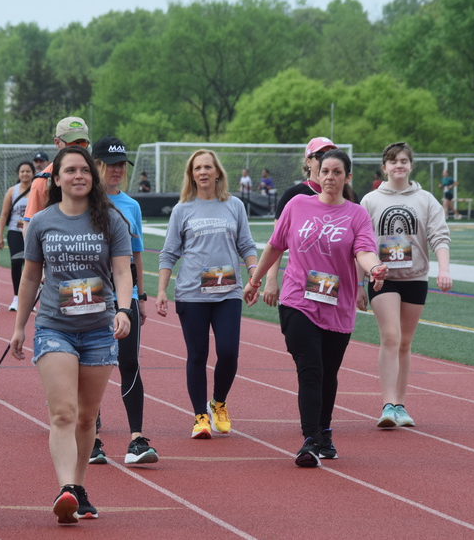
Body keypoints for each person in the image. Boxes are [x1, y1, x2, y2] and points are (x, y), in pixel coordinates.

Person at [9, 145, 132, 524]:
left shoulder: (111, 220)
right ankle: (65, 487)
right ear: (56, 178)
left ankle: (77, 488)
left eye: (84, 170)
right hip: (54, 327)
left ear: (92, 178)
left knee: (86, 418)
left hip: (98, 328)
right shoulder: (43, 222)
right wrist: (18, 326)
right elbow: (30, 277)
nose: (78, 176)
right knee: (63, 412)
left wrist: (125, 310)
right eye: (70, 170)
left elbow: (123, 272)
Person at [244, 149, 388, 467]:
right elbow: (275, 245)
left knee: (328, 374)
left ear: (347, 178)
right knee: (311, 370)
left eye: (337, 172)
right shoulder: (297, 206)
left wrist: (375, 268)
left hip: (338, 306)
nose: (330, 178)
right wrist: (255, 281)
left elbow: (364, 251)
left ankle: (324, 431)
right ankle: (309, 440)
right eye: (325, 171)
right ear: (316, 175)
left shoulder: (356, 215)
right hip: (298, 301)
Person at [156, 150, 258, 439]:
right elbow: (168, 253)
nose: (202, 172)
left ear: (217, 173)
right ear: (191, 174)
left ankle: (219, 402)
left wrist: (254, 273)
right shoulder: (182, 209)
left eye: (207, 167)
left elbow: (247, 245)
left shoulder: (234, 205)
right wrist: (162, 290)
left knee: (228, 352)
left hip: (228, 292)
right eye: (197, 168)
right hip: (191, 294)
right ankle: (200, 415)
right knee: (198, 354)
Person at [360, 142, 452, 428]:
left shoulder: (426, 200)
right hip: (382, 279)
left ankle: (400, 405)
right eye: (393, 161)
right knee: (390, 335)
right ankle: (387, 405)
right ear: (384, 167)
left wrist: (444, 270)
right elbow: (360, 245)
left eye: (403, 161)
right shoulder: (370, 201)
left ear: (411, 166)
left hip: (415, 277)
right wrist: (357, 284)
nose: (398, 165)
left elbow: (439, 236)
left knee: (405, 342)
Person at [89, 136, 158, 466]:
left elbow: (136, 254)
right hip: (88, 296)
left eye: (121, 165)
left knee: (129, 362)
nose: (116, 170)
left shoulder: (131, 205)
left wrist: (140, 296)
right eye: (110, 164)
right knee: (92, 365)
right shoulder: (82, 201)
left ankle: (136, 439)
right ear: (96, 164)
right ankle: (92, 438)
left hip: (124, 295)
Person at [262, 137, 338, 308]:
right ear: (308, 162)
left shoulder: (347, 197)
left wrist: (359, 285)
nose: (326, 159)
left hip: (335, 287)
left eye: (331, 154)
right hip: (299, 287)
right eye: (320, 155)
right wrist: (271, 279)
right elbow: (276, 244)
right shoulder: (293, 195)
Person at [21, 117, 90, 236]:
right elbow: (29, 227)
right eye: (71, 143)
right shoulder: (42, 180)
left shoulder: (96, 176)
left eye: (82, 143)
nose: (77, 148)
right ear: (57, 142)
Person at [0, 160, 34, 311]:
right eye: (22, 171)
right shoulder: (12, 191)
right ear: (18, 174)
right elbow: (4, 214)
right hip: (14, 231)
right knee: (16, 262)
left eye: (28, 171)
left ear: (32, 173)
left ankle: (29, 299)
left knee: (31, 266)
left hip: (32, 232)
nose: (25, 174)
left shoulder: (37, 190)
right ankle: (17, 298)